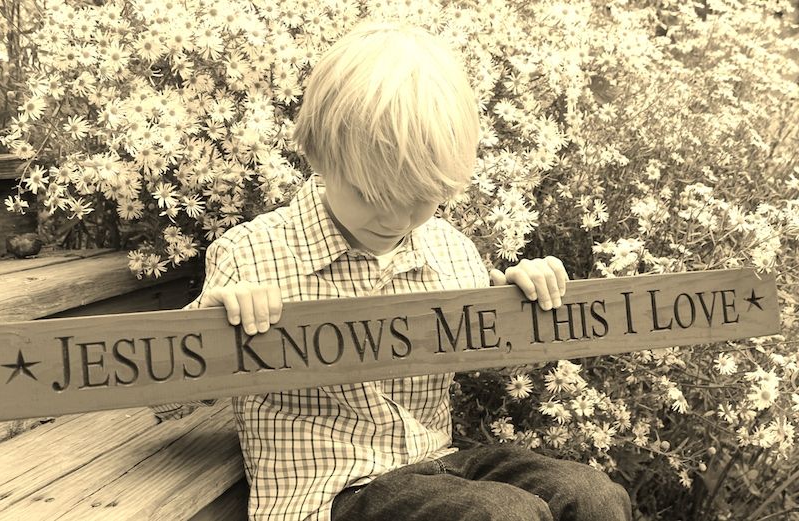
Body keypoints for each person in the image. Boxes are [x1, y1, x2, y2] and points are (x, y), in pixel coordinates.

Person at [152, 21, 632, 521]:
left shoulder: (449, 249)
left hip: (438, 466)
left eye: (422, 200)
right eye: (373, 196)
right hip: (331, 494)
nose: (396, 220)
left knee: (592, 496)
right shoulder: (253, 252)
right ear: (318, 154)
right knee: (499, 515)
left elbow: (497, 355)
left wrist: (520, 299)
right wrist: (205, 332)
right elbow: (168, 401)